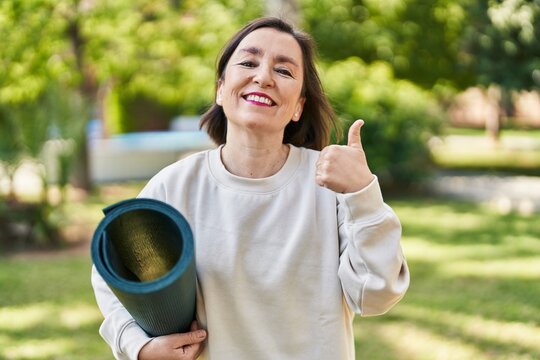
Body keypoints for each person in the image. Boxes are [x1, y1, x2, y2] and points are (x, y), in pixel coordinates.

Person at [91, 17, 410, 360]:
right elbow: (112, 270)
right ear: (220, 89)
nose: (263, 77)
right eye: (248, 62)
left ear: (299, 106)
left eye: (284, 71)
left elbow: (375, 295)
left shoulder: (332, 186)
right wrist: (137, 345)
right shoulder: (175, 186)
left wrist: (364, 194)